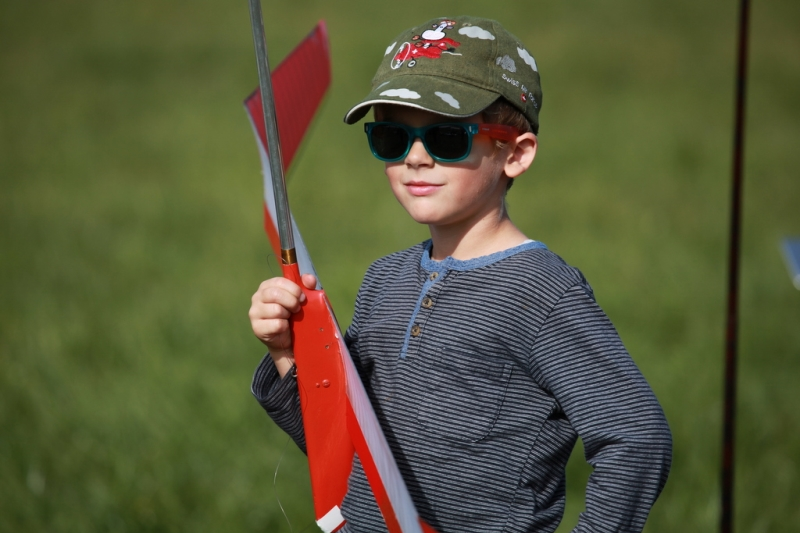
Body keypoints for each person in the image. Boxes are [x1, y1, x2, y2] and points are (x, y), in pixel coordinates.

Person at [248, 16, 672, 533]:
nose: (416, 157)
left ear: (515, 153)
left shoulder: (539, 290)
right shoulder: (384, 280)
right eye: (391, 136)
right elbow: (342, 447)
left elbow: (635, 435)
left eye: (447, 137)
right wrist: (288, 355)